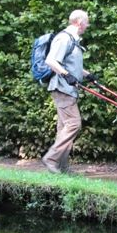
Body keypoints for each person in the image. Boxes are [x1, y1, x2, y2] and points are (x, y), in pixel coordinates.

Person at [42, 9, 94, 174]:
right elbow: (51, 60)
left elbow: (71, 64)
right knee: (73, 124)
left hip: (68, 89)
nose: (88, 25)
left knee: (63, 127)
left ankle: (61, 166)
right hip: (62, 88)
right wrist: (66, 75)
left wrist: (88, 75)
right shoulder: (64, 38)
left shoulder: (73, 41)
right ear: (79, 23)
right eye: (86, 22)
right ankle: (51, 159)